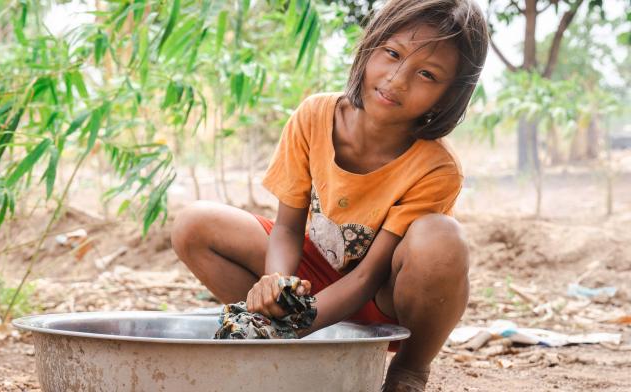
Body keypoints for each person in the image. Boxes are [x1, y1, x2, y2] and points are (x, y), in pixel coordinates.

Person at [172, 0, 488, 390]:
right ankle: (276, 337)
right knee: (194, 224)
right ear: (370, 47)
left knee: (441, 238)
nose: (397, 79)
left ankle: (409, 369)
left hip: (384, 301)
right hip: (314, 281)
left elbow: (370, 276)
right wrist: (277, 284)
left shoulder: (435, 168)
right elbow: (287, 229)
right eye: (392, 54)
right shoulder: (315, 116)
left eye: (426, 74)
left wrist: (300, 320)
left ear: (448, 95)